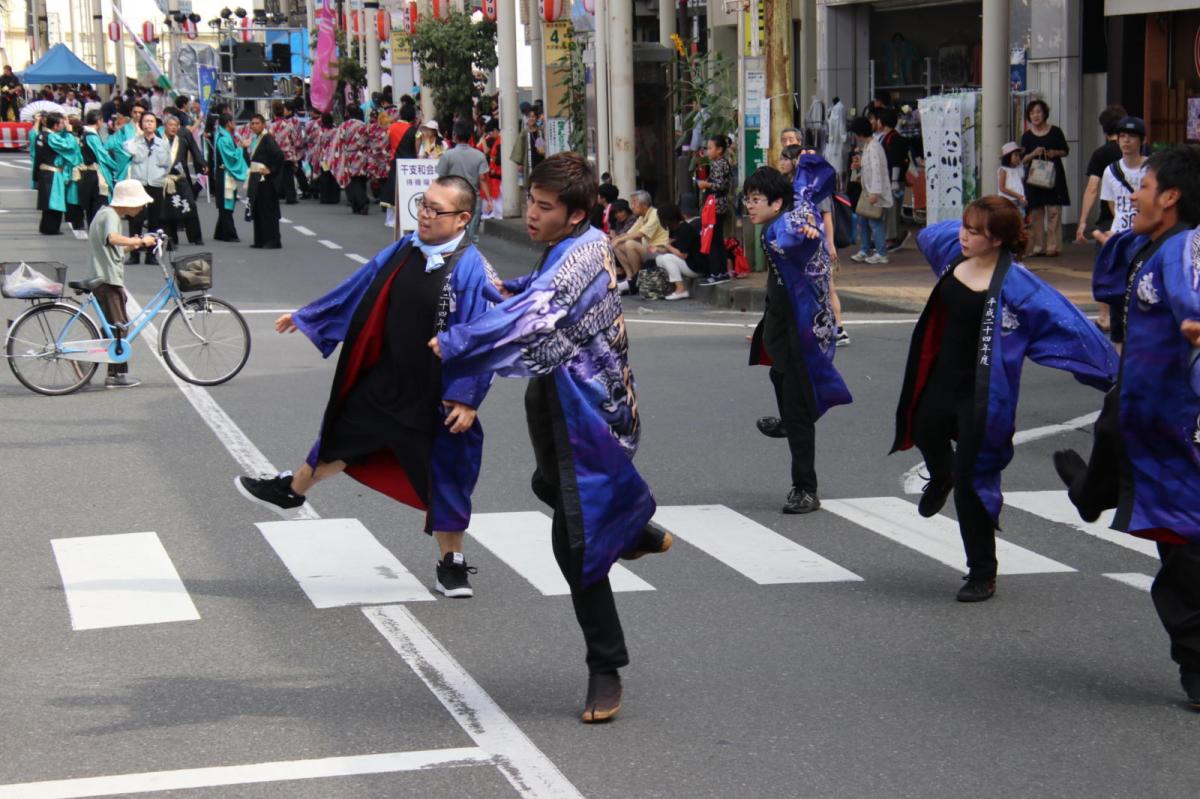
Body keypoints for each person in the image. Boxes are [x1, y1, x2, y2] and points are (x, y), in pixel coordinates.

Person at [430, 152, 672, 723]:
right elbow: (531, 291)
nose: (531, 215)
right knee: (550, 487)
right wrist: (492, 285)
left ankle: (605, 668)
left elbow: (540, 311)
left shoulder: (585, 256)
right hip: (555, 398)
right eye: (531, 202)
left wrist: (464, 339)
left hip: (591, 416)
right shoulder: (566, 245)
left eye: (543, 207)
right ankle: (632, 523)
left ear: (578, 213)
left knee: (577, 546)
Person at [236, 177, 499, 598]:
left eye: (436, 210)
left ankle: (452, 563)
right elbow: (361, 285)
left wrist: (467, 399)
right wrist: (311, 315)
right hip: (387, 379)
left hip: (436, 393)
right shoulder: (406, 248)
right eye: (423, 206)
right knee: (342, 436)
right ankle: (291, 490)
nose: (425, 216)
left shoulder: (472, 269)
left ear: (463, 218)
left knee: (446, 475)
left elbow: (484, 336)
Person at [892, 197, 1117, 602]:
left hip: (983, 396)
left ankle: (982, 572)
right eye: (965, 226)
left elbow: (1071, 328)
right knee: (923, 427)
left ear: (997, 240)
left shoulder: (1019, 285)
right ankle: (940, 473)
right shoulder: (951, 252)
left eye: (975, 231)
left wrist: (1116, 379)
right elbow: (928, 234)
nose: (963, 234)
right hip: (940, 379)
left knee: (973, 484)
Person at [1052, 145, 1200, 709]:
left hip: (1171, 421)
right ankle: (1092, 493)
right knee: (1109, 436)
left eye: (1143, 186)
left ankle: (1196, 665)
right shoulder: (1145, 243)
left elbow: (1189, 291)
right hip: (1132, 403)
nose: (1132, 194)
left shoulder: (1185, 245)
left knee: (1182, 543)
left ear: (1171, 196)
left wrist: (1194, 321)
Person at [745, 162, 853, 515]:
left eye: (756, 199)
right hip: (780, 321)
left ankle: (805, 488)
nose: (750, 205)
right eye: (748, 199)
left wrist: (807, 235)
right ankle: (790, 420)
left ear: (777, 203)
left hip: (801, 328)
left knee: (798, 407)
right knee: (778, 376)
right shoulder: (791, 214)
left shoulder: (789, 227)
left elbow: (798, 239)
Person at [84, 180, 160, 389]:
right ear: (129, 202)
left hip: (101, 276)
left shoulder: (103, 213)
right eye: (140, 203)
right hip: (107, 279)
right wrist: (141, 242)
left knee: (110, 327)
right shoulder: (110, 216)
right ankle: (116, 375)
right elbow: (113, 238)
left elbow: (110, 246)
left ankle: (92, 365)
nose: (142, 208)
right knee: (119, 327)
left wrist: (134, 242)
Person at [779, 145, 849, 346]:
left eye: (785, 159)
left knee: (826, 287)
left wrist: (830, 244)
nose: (781, 163)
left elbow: (826, 218)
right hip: (798, 246)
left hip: (815, 243)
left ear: (795, 161)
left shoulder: (810, 185)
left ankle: (839, 328)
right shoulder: (788, 185)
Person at [1020, 99, 1071, 257]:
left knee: (1054, 212)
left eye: (1039, 112)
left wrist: (1054, 153)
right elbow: (1022, 159)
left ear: (1045, 114)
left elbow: (1065, 151)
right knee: (1036, 212)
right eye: (1032, 113)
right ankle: (1037, 246)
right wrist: (1034, 154)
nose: (1035, 115)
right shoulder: (1027, 136)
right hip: (1035, 179)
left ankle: (1053, 246)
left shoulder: (1055, 131)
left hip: (1054, 176)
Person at [123, 110, 171, 265]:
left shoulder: (163, 143)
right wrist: (137, 136)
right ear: (141, 124)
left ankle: (151, 254)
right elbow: (128, 150)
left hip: (155, 184)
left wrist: (160, 177)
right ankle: (134, 253)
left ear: (156, 125)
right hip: (139, 184)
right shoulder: (135, 142)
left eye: (152, 121)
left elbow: (167, 164)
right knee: (136, 219)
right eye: (146, 121)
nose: (149, 124)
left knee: (154, 221)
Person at [1076, 104, 1128, 246]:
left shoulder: (1100, 154)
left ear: (1104, 131)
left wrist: (1082, 222)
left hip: (1108, 220)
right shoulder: (1137, 152)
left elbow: (1092, 188)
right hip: (1133, 219)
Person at [436, 119, 492, 242]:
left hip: (452, 199)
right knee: (472, 237)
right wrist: (489, 200)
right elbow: (483, 179)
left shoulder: (448, 155)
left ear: (455, 135)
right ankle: (471, 259)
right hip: (473, 199)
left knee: (452, 235)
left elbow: (441, 179)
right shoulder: (479, 155)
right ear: (470, 136)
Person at [849, 116, 891, 263]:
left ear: (860, 133)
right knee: (864, 220)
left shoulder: (873, 147)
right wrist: (859, 166)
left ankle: (881, 253)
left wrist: (875, 192)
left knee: (875, 222)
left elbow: (877, 171)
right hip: (867, 191)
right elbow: (870, 168)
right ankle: (865, 249)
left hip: (872, 192)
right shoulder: (869, 145)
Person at [161, 114, 206, 246]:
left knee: (189, 205)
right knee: (168, 208)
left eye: (176, 126)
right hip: (166, 179)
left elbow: (195, 150)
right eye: (170, 125)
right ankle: (171, 237)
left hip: (180, 178)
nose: (173, 128)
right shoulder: (159, 140)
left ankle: (195, 237)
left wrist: (202, 163)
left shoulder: (183, 138)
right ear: (165, 127)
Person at [610, 190, 668, 289]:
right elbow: (629, 233)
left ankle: (637, 279)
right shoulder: (642, 217)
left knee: (630, 244)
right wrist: (616, 239)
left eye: (634, 203)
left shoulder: (654, 214)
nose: (632, 206)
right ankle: (630, 276)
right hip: (648, 250)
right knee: (617, 245)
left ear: (644, 205)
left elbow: (639, 234)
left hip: (659, 251)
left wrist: (619, 239)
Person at [245, 114, 286, 249]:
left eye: (257, 123)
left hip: (265, 180)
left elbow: (279, 155)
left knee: (267, 210)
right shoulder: (256, 139)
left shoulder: (267, 138)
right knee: (257, 209)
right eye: (253, 123)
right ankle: (260, 240)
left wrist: (271, 170)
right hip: (256, 177)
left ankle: (272, 240)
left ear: (263, 125)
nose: (255, 126)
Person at [697, 135, 734, 284]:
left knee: (713, 239)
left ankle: (716, 272)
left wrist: (705, 185)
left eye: (710, 148)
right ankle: (721, 271)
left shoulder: (719, 164)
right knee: (717, 238)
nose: (708, 151)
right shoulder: (722, 163)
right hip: (720, 204)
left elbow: (720, 185)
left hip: (716, 205)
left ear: (719, 150)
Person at [654, 201, 705, 300]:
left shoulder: (685, 229)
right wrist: (658, 249)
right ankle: (673, 286)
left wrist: (667, 246)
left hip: (696, 266)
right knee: (659, 259)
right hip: (687, 263)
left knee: (667, 258)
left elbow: (683, 255)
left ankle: (681, 289)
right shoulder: (674, 228)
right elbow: (672, 249)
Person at [211, 112, 248, 243]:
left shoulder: (222, 136)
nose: (235, 124)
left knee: (226, 204)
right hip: (224, 173)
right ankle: (229, 233)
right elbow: (231, 157)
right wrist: (241, 149)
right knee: (226, 204)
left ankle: (220, 232)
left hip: (224, 173)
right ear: (228, 123)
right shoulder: (224, 138)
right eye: (234, 122)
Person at [78, 110, 119, 225]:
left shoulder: (84, 133)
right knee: (99, 203)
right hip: (95, 174)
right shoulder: (92, 136)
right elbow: (102, 155)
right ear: (98, 121)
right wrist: (115, 166)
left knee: (91, 205)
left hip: (87, 173)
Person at [332, 107, 372, 214]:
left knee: (352, 180)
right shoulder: (364, 125)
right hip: (362, 154)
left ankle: (361, 203)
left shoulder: (344, 125)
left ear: (349, 113)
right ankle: (359, 204)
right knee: (361, 179)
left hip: (349, 155)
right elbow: (369, 140)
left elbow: (338, 141)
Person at [270, 101, 302, 206]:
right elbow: (294, 138)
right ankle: (290, 197)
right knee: (288, 176)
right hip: (288, 153)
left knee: (276, 175)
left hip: (276, 153)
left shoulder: (272, 125)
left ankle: (275, 195)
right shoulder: (289, 124)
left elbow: (270, 139)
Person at [997, 142, 1026, 213]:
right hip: (1007, 200)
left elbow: (1021, 184)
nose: (1018, 158)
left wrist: (1022, 197)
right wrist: (1018, 196)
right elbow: (1002, 188)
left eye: (1019, 155)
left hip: (1019, 199)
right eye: (1015, 155)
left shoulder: (1019, 168)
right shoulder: (1003, 170)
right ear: (1008, 157)